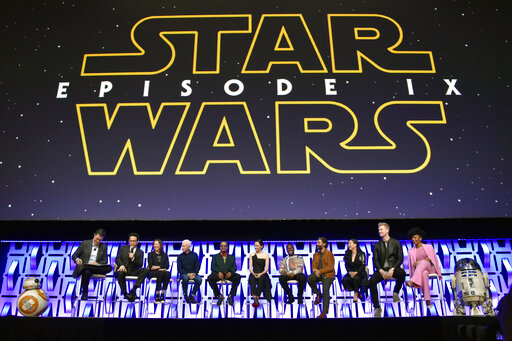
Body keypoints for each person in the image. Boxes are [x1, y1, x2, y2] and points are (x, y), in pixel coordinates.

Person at [369, 222, 406, 318]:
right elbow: (375, 260)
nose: (379, 231)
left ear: (387, 230)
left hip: (393, 268)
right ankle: (377, 307)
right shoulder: (377, 245)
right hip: (382, 270)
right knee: (372, 281)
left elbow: (400, 258)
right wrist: (380, 270)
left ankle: (395, 292)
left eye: (381, 229)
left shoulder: (396, 242)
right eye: (379, 230)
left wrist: (393, 269)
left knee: (402, 273)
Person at [72, 228, 112, 300]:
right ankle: (85, 293)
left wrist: (97, 264)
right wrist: (77, 260)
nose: (98, 241)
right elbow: (74, 255)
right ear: (94, 235)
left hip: (96, 268)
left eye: (100, 240)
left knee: (109, 268)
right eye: (97, 239)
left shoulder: (104, 247)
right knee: (86, 272)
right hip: (87, 268)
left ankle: (83, 267)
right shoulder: (85, 243)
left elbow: (105, 261)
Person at [406, 227, 442, 308]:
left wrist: (425, 261)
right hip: (420, 271)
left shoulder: (429, 247)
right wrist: (419, 262)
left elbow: (433, 260)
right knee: (424, 274)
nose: (413, 239)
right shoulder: (410, 251)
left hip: (430, 268)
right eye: (412, 238)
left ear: (420, 238)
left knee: (424, 262)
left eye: (415, 237)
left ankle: (412, 281)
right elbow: (413, 265)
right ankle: (428, 300)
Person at [115, 232, 148, 302]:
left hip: (134, 270)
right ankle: (125, 293)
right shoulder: (123, 248)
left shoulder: (140, 252)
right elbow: (118, 258)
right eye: (131, 241)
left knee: (145, 270)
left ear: (137, 241)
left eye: (134, 241)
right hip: (124, 269)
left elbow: (140, 264)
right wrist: (121, 265)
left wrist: (133, 258)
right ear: (128, 241)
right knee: (120, 272)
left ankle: (134, 289)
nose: (132, 243)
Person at [307, 237, 335, 318]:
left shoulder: (329, 254)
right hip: (318, 274)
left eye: (319, 242)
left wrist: (320, 271)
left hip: (328, 274)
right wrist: (315, 271)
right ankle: (318, 294)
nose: (317, 244)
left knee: (325, 290)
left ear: (324, 244)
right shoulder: (316, 254)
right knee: (309, 279)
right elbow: (313, 265)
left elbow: (330, 267)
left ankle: (324, 312)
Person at [207, 241, 242, 306]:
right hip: (218, 274)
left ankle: (230, 296)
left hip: (228, 275)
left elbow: (234, 267)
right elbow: (212, 267)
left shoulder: (231, 257)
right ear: (220, 247)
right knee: (210, 278)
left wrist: (231, 272)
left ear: (227, 247)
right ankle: (219, 296)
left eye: (225, 246)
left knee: (238, 277)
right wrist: (218, 272)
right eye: (222, 246)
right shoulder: (215, 257)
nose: (223, 247)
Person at [342, 238, 369, 302]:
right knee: (345, 280)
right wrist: (350, 272)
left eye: (350, 243)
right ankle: (358, 292)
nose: (349, 245)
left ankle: (356, 293)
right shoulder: (347, 254)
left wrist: (356, 272)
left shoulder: (362, 254)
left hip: (360, 272)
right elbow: (346, 265)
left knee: (356, 278)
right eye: (348, 243)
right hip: (350, 272)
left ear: (355, 245)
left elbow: (363, 266)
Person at [248, 239, 272, 308]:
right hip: (253, 273)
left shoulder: (266, 255)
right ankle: (255, 297)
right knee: (252, 279)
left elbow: (266, 269)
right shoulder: (252, 255)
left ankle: (256, 297)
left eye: (257, 246)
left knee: (262, 279)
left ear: (261, 246)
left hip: (263, 273)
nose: (256, 247)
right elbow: (250, 267)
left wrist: (260, 274)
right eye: (255, 245)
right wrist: (253, 273)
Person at [177, 239, 202, 304]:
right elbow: (179, 269)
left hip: (193, 274)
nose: (182, 248)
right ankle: (185, 295)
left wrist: (194, 273)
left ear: (189, 247)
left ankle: (192, 296)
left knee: (199, 279)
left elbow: (197, 266)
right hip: (184, 274)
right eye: (182, 246)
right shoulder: (180, 256)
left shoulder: (194, 255)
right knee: (185, 278)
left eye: (184, 246)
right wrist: (187, 274)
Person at [147, 238, 171, 303]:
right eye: (154, 244)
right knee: (161, 272)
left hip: (162, 272)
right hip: (152, 273)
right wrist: (161, 268)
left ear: (160, 245)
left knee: (168, 273)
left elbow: (167, 266)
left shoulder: (165, 255)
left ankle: (163, 293)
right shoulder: (150, 254)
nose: (155, 246)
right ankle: (157, 294)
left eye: (157, 244)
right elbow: (151, 266)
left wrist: (158, 267)